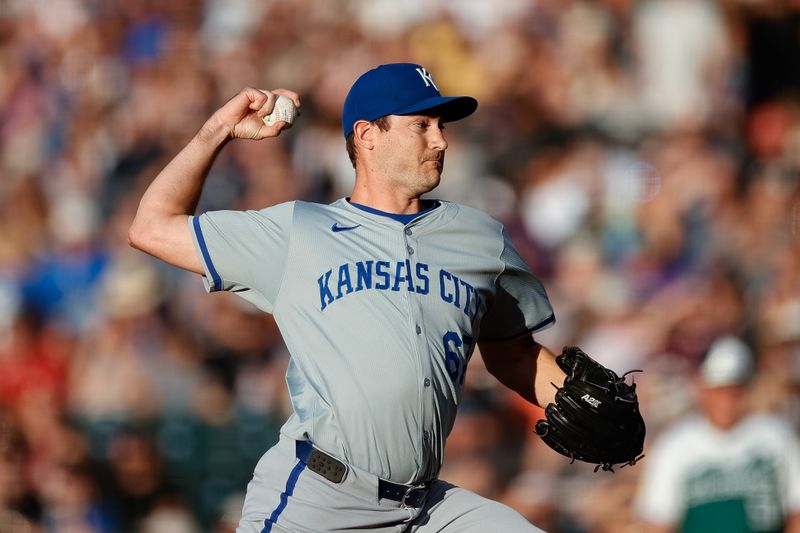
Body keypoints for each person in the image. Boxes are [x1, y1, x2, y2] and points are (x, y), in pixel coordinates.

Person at [129, 63, 566, 532]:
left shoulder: (479, 239)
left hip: (426, 508)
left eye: (440, 126)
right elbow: (151, 227)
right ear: (367, 135)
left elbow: (512, 354)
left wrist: (572, 402)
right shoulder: (299, 231)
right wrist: (218, 130)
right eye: (421, 125)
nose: (439, 141)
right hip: (320, 497)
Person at [635, 335, 800, 533]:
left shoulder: (776, 435)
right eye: (719, 392)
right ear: (703, 389)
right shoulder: (675, 444)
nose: (727, 402)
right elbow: (658, 520)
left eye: (734, 392)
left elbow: (796, 511)